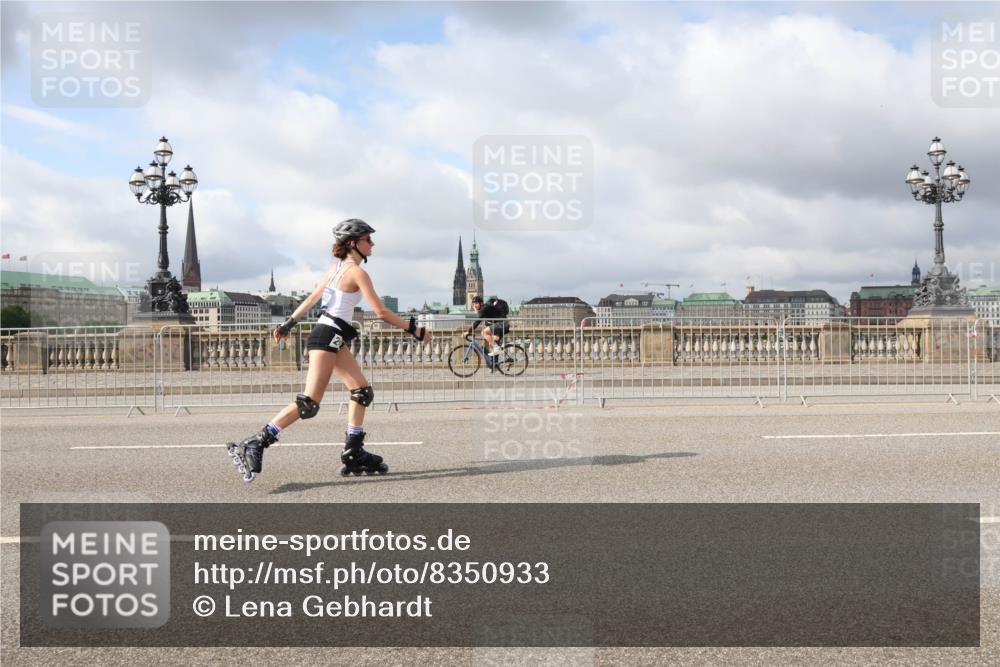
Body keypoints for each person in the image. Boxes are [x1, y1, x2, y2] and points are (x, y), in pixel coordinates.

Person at [227, 218, 431, 482]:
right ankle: (257, 442)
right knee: (309, 403)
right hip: (328, 336)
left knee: (361, 391)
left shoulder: (335, 268)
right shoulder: (357, 273)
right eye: (368, 239)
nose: (373, 243)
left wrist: (289, 323)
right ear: (353, 243)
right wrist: (416, 330)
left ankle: (354, 450)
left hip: (332, 335)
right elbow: (380, 311)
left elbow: (312, 298)